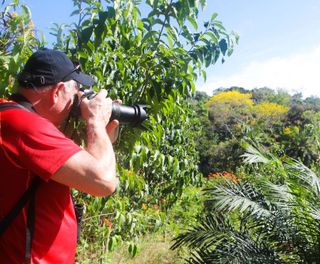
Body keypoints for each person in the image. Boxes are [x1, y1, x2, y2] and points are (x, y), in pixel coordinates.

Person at [0, 48, 119, 263]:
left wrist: (102, 137)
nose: (77, 101)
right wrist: (95, 121)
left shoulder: (9, 116)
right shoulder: (25, 126)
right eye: (76, 92)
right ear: (58, 91)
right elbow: (103, 182)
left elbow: (83, 168)